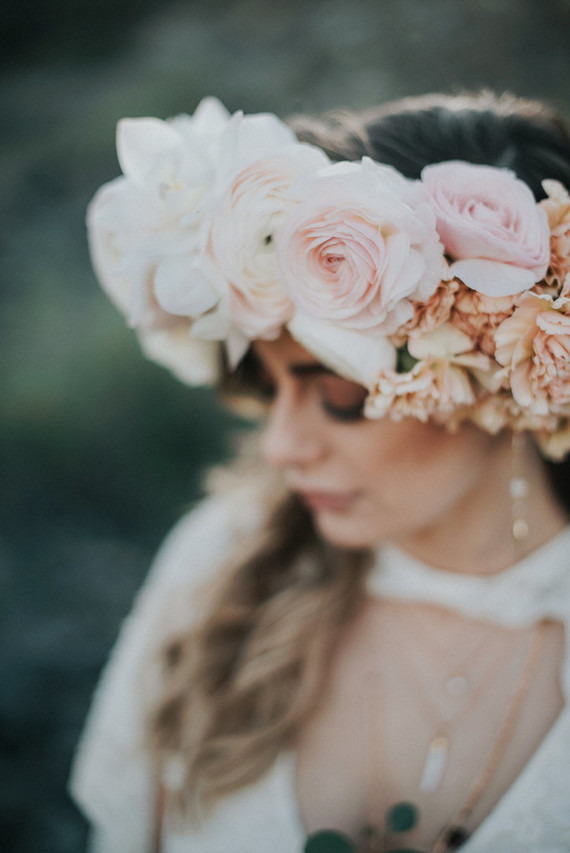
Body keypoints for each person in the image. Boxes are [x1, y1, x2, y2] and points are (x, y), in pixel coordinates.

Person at [70, 91, 570, 852]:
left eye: (338, 393)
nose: (281, 446)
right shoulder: (222, 560)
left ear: (499, 372)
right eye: (270, 387)